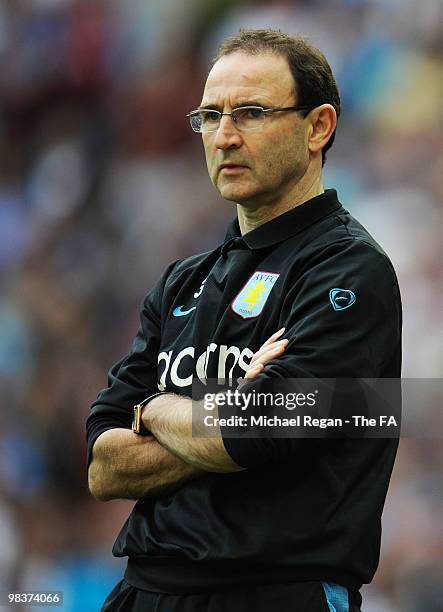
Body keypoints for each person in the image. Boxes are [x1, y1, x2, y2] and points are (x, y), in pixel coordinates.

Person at [86, 29, 402, 612]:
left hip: (275, 592)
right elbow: (103, 467)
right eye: (210, 115)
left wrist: (155, 410)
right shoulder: (181, 281)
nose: (224, 136)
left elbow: (255, 434)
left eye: (251, 113)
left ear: (318, 127)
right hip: (144, 590)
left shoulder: (355, 272)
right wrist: (229, 406)